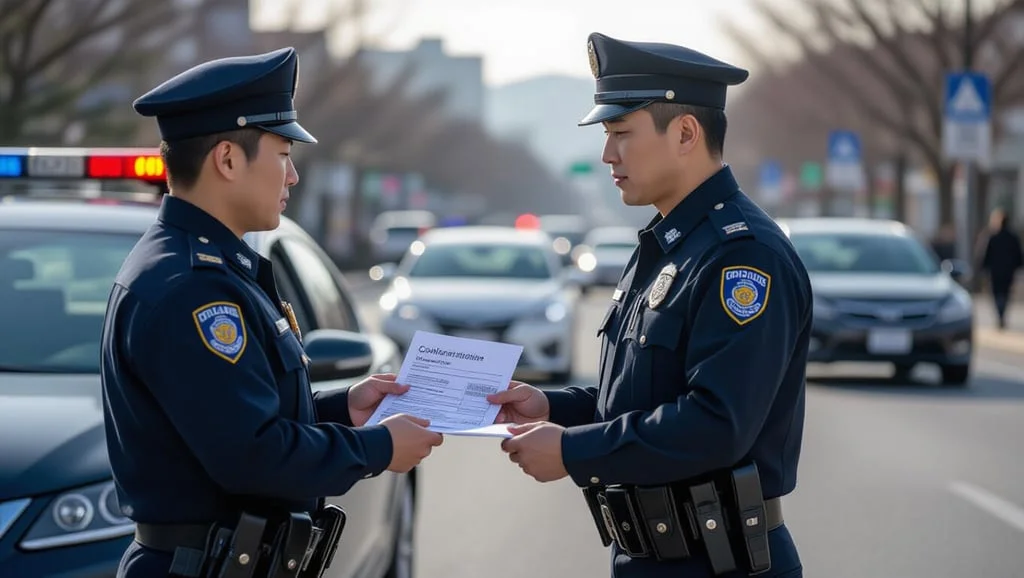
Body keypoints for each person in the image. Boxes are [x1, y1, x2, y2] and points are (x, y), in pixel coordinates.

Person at [101, 47, 443, 577]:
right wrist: (377, 447)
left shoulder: (207, 266)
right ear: (227, 159)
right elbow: (253, 457)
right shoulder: (192, 288)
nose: (293, 176)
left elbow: (237, 417)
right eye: (283, 154)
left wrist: (343, 408)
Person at [488, 33, 812, 578]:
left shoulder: (743, 255)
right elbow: (643, 395)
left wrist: (572, 452)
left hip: (718, 563)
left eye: (621, 134)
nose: (607, 155)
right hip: (654, 557)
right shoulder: (671, 243)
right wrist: (551, 408)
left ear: (685, 133)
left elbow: (716, 423)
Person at [979, 208, 1023, 328]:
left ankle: (1000, 315)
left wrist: (983, 268)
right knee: (1005, 293)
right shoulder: (1012, 237)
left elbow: (985, 254)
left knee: (997, 293)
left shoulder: (992, 237)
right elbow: (1019, 255)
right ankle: (1001, 315)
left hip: (995, 271)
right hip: (1008, 271)